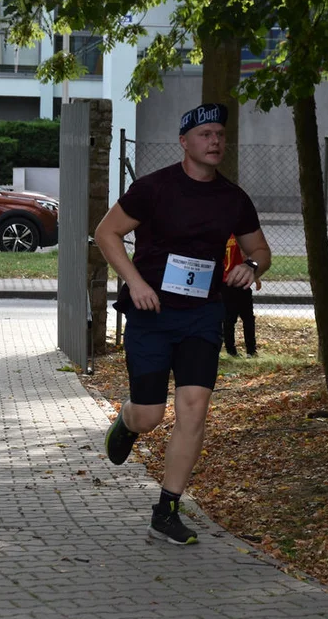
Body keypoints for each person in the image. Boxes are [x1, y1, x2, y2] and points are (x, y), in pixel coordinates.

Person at [95, 102, 271, 545]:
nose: (215, 142)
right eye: (205, 135)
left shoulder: (233, 198)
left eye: (220, 136)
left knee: (194, 408)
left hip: (202, 315)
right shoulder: (154, 189)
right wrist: (134, 283)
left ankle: (167, 508)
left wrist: (251, 266)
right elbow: (106, 233)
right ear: (185, 142)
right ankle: (128, 421)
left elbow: (261, 251)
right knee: (152, 415)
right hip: (151, 313)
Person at [221, 234, 260, 357]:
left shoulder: (223, 235)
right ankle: (251, 350)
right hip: (240, 280)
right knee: (247, 317)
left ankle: (230, 350)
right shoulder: (240, 236)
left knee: (229, 319)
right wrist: (256, 276)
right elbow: (245, 256)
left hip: (225, 281)